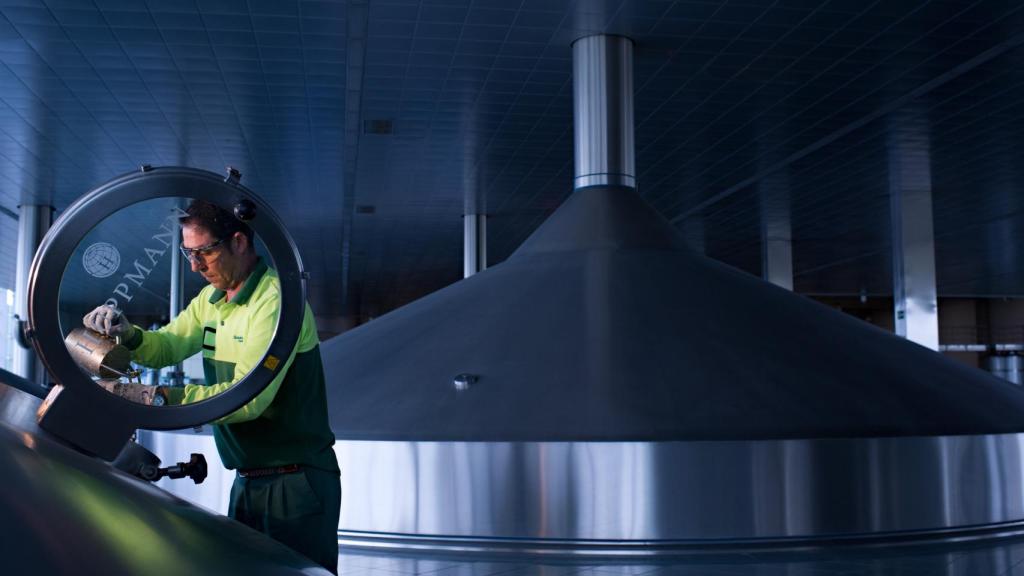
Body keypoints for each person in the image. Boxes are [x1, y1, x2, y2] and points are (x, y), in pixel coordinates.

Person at [83, 200, 340, 574]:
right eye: (188, 253)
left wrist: (158, 397)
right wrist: (131, 335)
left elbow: (248, 397)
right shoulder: (211, 299)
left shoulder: (276, 302)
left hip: (295, 484)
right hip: (248, 479)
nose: (194, 266)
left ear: (238, 242)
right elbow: (169, 345)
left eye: (204, 252)